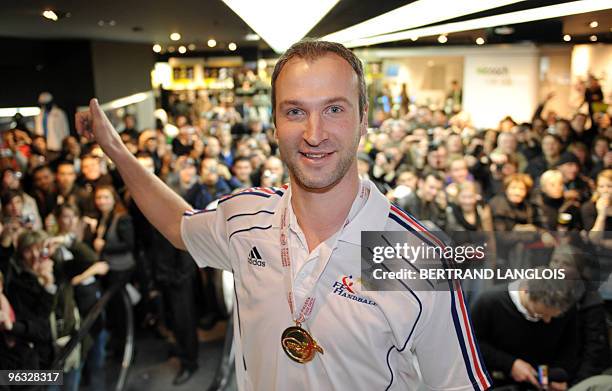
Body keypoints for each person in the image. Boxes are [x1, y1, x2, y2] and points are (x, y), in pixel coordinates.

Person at [77, 40, 490, 391]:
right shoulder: (244, 218)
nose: (314, 133)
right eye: (294, 111)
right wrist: (113, 147)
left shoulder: (416, 257)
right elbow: (176, 225)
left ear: (364, 118)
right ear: (273, 123)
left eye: (334, 110)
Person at [34, 92, 69, 162]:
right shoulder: (39, 115)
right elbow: (38, 132)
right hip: (44, 147)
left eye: (46, 104)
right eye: (43, 104)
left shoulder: (59, 113)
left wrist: (65, 145)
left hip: (58, 147)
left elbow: (65, 131)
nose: (45, 106)